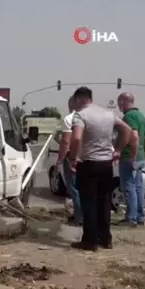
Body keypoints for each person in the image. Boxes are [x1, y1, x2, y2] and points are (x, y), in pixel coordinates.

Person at [68, 87, 132, 251]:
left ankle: (89, 241)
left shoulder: (81, 115)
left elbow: (76, 137)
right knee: (104, 202)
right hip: (106, 164)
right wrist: (117, 150)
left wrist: (74, 157)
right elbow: (127, 129)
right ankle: (105, 238)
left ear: (79, 99)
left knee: (88, 202)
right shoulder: (108, 114)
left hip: (88, 163)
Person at [116, 92, 145, 227]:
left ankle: (131, 218)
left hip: (129, 157)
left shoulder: (128, 116)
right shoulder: (142, 116)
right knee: (138, 187)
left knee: (129, 187)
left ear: (123, 102)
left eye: (119, 102)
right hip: (141, 158)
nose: (119, 105)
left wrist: (131, 156)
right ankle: (140, 217)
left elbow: (134, 137)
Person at [57, 96, 82, 225]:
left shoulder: (69, 119)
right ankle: (84, 215)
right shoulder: (88, 117)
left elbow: (66, 141)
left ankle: (79, 217)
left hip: (72, 158)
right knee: (84, 188)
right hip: (88, 158)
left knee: (73, 188)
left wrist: (60, 160)